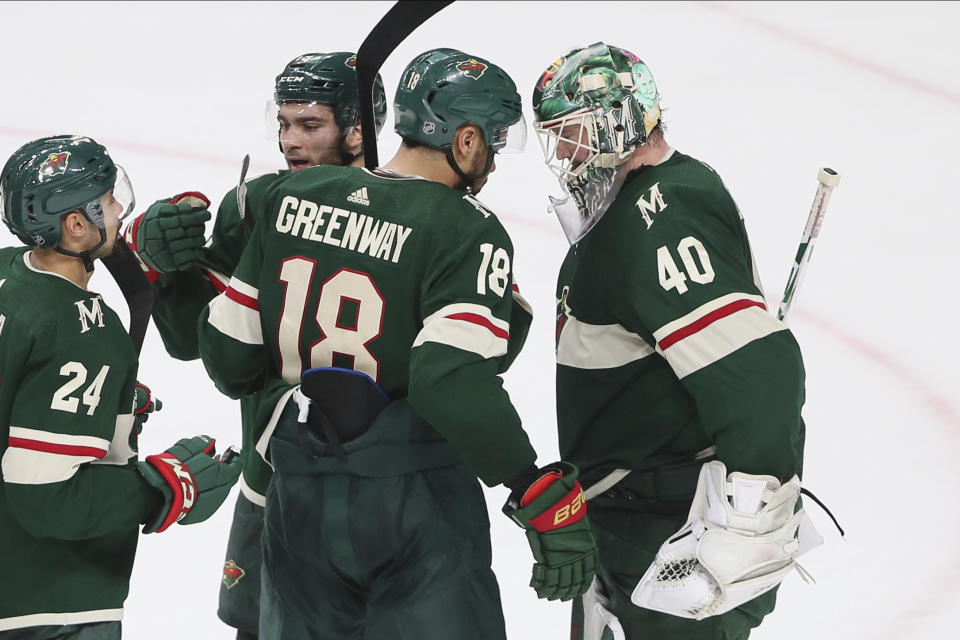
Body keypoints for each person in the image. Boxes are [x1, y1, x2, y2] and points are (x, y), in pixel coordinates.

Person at [197, 48, 598, 639]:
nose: (492, 156)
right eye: (494, 139)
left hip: (298, 495)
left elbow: (229, 358)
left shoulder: (292, 199)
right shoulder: (467, 230)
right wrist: (528, 483)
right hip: (414, 502)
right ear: (465, 141)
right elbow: (448, 378)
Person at [531, 43, 818, 639]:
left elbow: (758, 375)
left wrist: (744, 531)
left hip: (666, 533)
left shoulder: (661, 216)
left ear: (621, 120)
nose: (562, 152)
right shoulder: (631, 209)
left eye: (574, 133)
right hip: (626, 526)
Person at [116, 52, 389, 640]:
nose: (290, 140)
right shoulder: (255, 204)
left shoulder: (419, 212)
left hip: (383, 498)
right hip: (275, 482)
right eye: (284, 123)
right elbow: (197, 340)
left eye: (309, 125)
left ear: (359, 127)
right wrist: (163, 265)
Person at [0, 135, 241, 639]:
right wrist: (162, 487)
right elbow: (45, 496)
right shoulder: (82, 331)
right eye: (108, 201)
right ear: (75, 224)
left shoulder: (8, 272)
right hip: (46, 600)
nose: (118, 210)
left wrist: (100, 403)